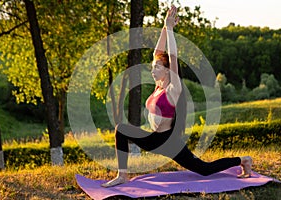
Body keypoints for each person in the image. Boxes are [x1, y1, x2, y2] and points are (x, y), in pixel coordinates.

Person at [101, 5, 252, 188]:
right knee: (121, 129)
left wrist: (171, 29)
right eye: (152, 67)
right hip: (153, 139)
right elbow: (157, 53)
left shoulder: (174, 88)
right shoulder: (158, 85)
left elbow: (172, 57)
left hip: (169, 142)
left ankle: (243, 160)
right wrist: (165, 27)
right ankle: (122, 175)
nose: (153, 70)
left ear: (167, 70)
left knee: (203, 169)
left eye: (157, 67)